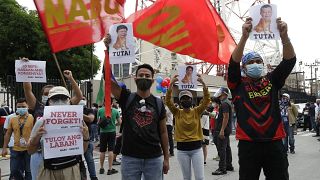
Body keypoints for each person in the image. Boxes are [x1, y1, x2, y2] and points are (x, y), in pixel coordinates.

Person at [227, 17, 295, 180]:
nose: (255, 64)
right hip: (248, 145)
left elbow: (289, 61)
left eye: (258, 61)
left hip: (275, 143)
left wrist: (284, 37)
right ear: (244, 67)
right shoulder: (237, 84)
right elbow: (233, 64)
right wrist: (244, 37)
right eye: (251, 62)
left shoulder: (272, 80)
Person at [106, 34, 170, 179]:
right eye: (141, 75)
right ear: (135, 79)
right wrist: (108, 51)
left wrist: (166, 158)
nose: (144, 77)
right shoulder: (126, 97)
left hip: (154, 158)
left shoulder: (159, 103)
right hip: (130, 159)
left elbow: (164, 132)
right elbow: (109, 80)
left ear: (153, 80)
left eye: (148, 76)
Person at [22, 57, 82, 180]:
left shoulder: (68, 110)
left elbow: (79, 96)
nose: (59, 101)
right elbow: (28, 90)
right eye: (51, 96)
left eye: (62, 98)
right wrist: (26, 70)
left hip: (65, 158)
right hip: (39, 154)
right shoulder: (38, 107)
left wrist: (70, 78)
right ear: (47, 99)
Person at [28, 86, 89, 179]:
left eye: (63, 98)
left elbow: (83, 150)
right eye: (55, 98)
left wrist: (85, 138)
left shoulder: (78, 121)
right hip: (49, 171)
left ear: (69, 101)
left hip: (72, 169)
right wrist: (36, 137)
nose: (60, 101)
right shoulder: (42, 122)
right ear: (49, 101)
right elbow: (30, 150)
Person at [166, 74, 210, 180]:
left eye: (188, 98)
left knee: (200, 178)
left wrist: (203, 83)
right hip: (182, 150)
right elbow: (168, 101)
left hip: (196, 149)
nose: (186, 100)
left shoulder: (197, 111)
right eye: (183, 98)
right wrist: (171, 84)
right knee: (187, 178)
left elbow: (206, 100)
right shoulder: (177, 112)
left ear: (192, 100)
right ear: (180, 101)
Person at [2, 98, 34, 180]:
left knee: (29, 171)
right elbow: (8, 134)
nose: (21, 108)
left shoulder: (32, 118)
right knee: (14, 170)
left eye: (23, 106)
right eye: (19, 107)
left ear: (27, 106)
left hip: (29, 149)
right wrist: (4, 148)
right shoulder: (13, 119)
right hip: (15, 149)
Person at [212, 87, 233, 175]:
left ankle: (222, 168)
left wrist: (222, 130)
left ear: (224, 93)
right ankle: (228, 165)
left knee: (221, 149)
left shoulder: (224, 104)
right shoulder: (226, 102)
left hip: (222, 129)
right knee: (226, 147)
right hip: (225, 129)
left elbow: (226, 117)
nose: (219, 93)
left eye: (220, 92)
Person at [97, 102, 121, 175]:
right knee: (111, 150)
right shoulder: (115, 111)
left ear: (104, 102)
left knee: (102, 151)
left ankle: (101, 168)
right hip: (112, 132)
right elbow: (120, 122)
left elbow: (98, 122)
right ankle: (110, 169)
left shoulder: (100, 110)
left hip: (103, 132)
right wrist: (114, 124)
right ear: (112, 103)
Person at [80, 96, 98, 180]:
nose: (81, 100)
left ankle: (93, 177)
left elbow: (90, 119)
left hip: (87, 139)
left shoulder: (89, 110)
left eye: (83, 99)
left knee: (89, 159)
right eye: (80, 99)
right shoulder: (71, 109)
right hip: (75, 140)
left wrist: (77, 112)